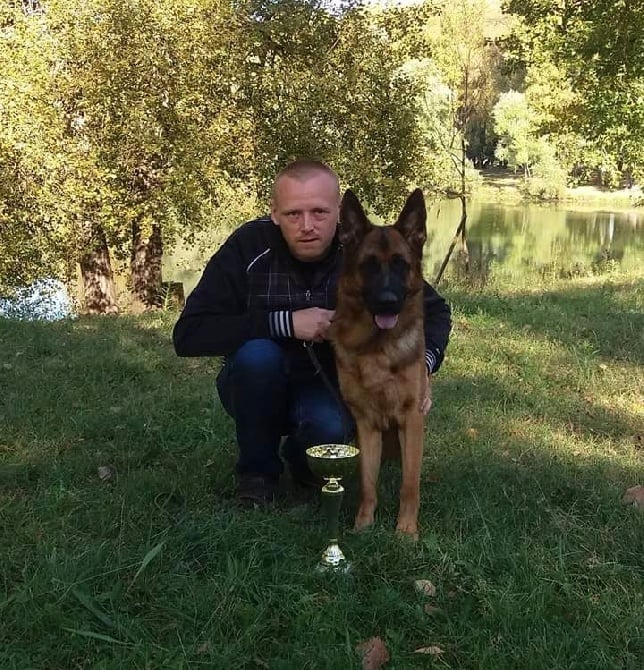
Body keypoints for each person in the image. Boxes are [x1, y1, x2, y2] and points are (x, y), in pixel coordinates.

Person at [172, 160, 452, 506]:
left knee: (327, 429)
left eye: (319, 212)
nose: (307, 226)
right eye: (293, 214)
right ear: (274, 213)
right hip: (256, 382)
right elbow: (188, 334)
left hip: (329, 385)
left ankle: (306, 463)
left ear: (339, 213)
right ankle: (257, 476)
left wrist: (424, 364)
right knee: (258, 357)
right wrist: (285, 323)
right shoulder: (247, 247)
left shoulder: (361, 250)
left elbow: (435, 310)